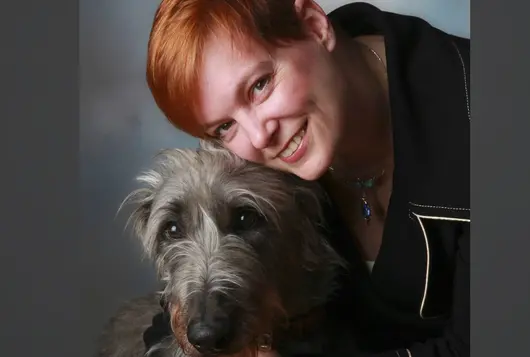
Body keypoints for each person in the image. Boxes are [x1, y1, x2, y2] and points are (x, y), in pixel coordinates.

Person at [141, 1, 470, 356]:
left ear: (315, 25)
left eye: (259, 85)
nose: (258, 137)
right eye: (224, 125)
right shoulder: (259, 157)